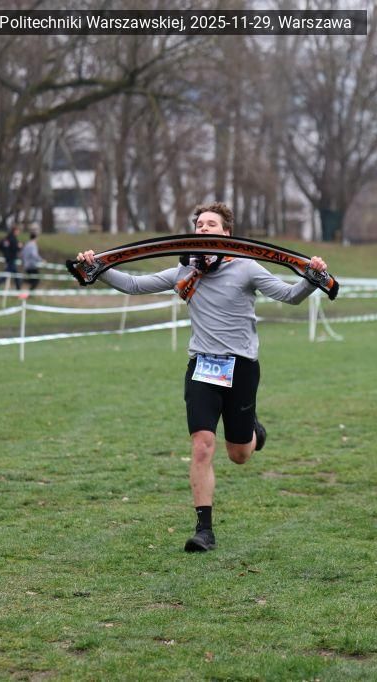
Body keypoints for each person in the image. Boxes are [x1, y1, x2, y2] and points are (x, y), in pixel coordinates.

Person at [74, 201, 328, 553]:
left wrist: (312, 278)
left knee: (239, 454)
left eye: (211, 223)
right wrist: (98, 269)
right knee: (202, 445)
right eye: (200, 224)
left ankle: (253, 433)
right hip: (202, 367)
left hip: (241, 368)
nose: (204, 227)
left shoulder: (247, 267)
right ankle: (204, 530)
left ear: (227, 233)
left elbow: (289, 296)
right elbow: (133, 284)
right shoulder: (185, 271)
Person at [0, 224, 22, 295]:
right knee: (10, 276)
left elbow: (0, 246)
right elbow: (14, 248)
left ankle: (19, 292)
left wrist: (5, 253)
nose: (19, 232)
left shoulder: (7, 238)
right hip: (11, 259)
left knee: (15, 276)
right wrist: (19, 247)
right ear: (15, 231)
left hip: (9, 259)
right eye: (18, 231)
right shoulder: (13, 239)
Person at [21, 231, 44, 296]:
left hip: (26, 265)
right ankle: (29, 294)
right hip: (32, 265)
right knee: (36, 280)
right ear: (35, 238)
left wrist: (24, 262)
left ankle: (23, 282)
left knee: (32, 280)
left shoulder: (27, 244)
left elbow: (22, 254)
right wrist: (41, 260)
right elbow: (34, 255)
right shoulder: (33, 245)